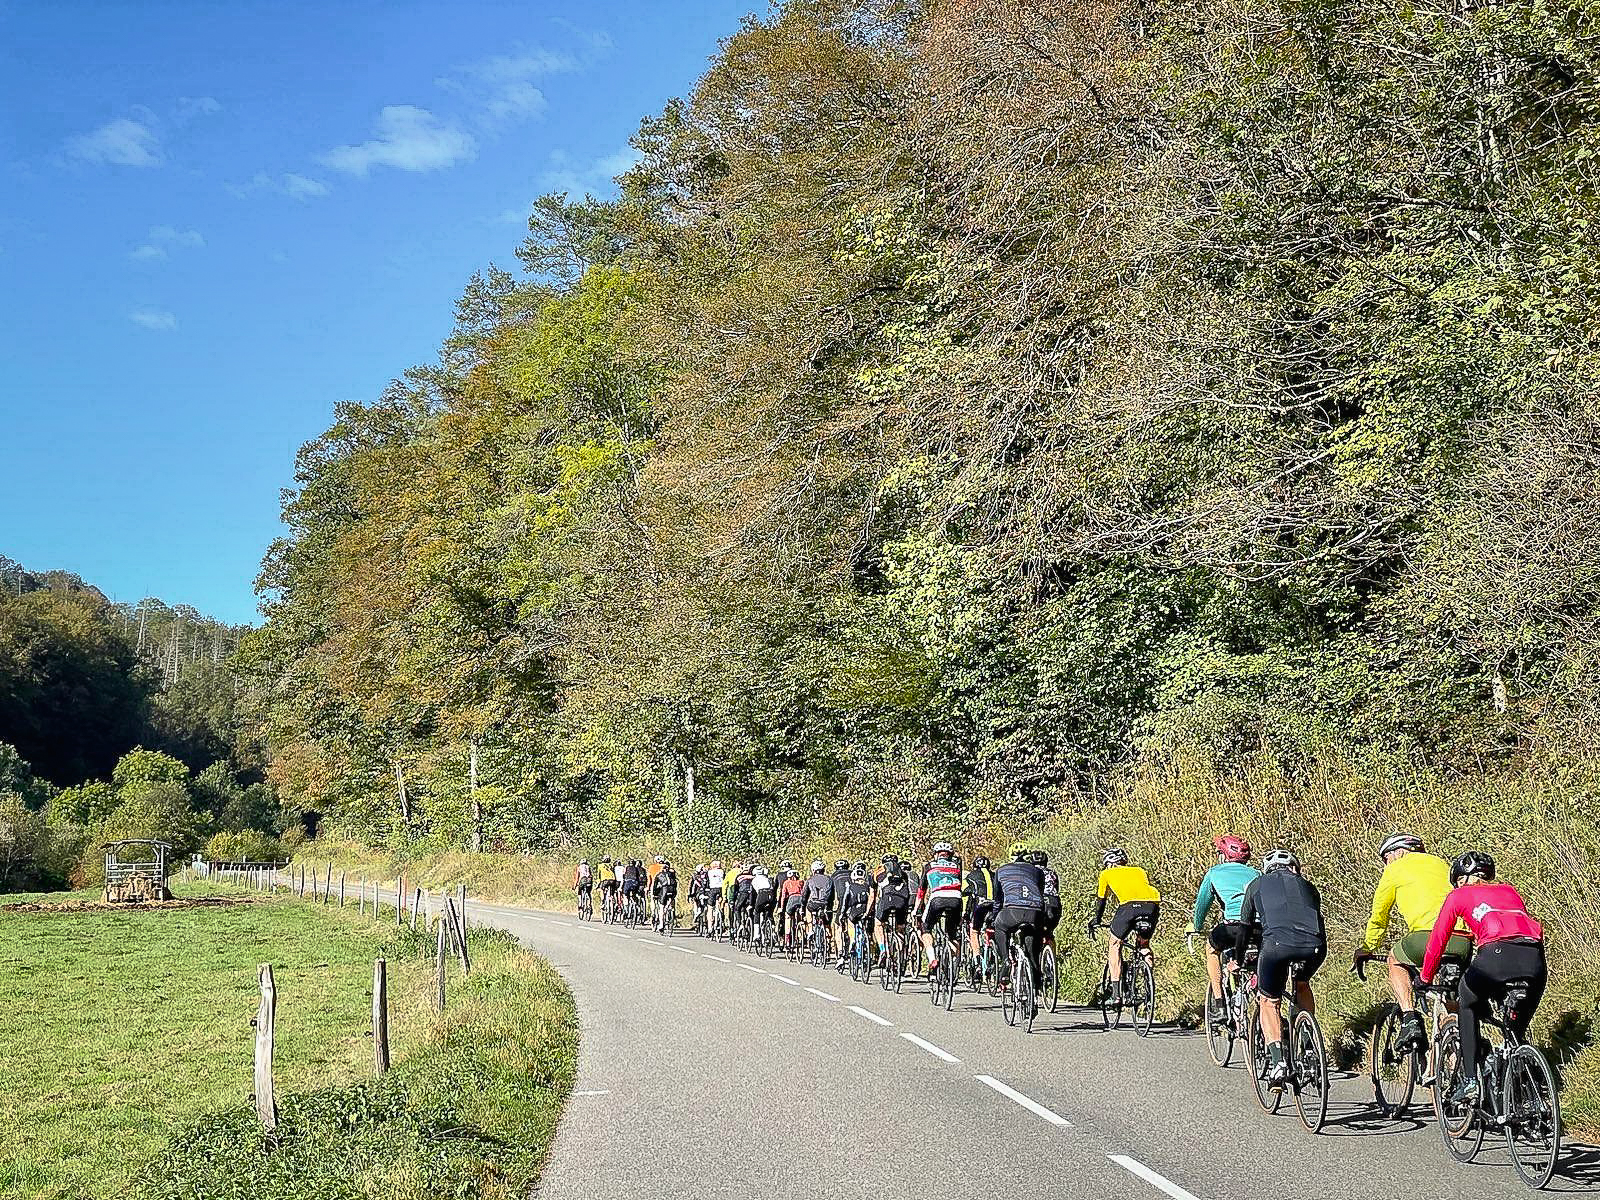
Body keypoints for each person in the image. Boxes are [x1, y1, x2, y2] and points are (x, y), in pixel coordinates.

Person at [1422, 851, 1546, 1104]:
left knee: (1467, 1000)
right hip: (1534, 959)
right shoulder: (1510, 891)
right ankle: (1525, 1088)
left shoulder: (1458, 894)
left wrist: (1425, 977)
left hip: (1495, 956)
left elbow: (1438, 939)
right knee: (1514, 1031)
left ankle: (1471, 1082)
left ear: (1462, 879)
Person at [1354, 833, 1469, 1053]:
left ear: (1397, 853)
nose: (1385, 865)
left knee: (1395, 959)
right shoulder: (1441, 864)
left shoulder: (1395, 869)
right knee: (1449, 998)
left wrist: (1368, 946)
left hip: (1426, 937)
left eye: (1385, 859)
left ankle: (1409, 1019)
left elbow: (1380, 915)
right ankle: (1455, 1054)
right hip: (1462, 941)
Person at [1235, 849, 1326, 1086]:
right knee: (1302, 984)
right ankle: (1308, 1048)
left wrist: (1238, 957)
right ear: (1294, 868)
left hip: (1276, 947)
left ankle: (1278, 1064)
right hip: (1315, 947)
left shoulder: (1256, 884)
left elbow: (1244, 926)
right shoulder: (1308, 886)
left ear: (1267, 869)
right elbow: (1319, 922)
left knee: (1269, 1000)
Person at [1187, 835, 1260, 1022]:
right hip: (1259, 927)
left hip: (1233, 927)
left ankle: (1219, 1004)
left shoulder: (1214, 873)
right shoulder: (1257, 873)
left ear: (1223, 855)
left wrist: (1196, 926)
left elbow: (1202, 905)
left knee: (1211, 949)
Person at [1087, 849, 1162, 1002]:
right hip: (1152, 906)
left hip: (1129, 908)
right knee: (1144, 945)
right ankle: (1149, 988)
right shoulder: (1139, 870)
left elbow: (1101, 900)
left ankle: (1116, 995)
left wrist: (1096, 920)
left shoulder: (1106, 874)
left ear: (1109, 864)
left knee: (1114, 944)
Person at [993, 843, 1046, 990]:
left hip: (1012, 912)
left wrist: (994, 916)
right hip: (1034, 912)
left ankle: (1005, 962)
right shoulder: (1037, 871)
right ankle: (1036, 977)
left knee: (1000, 926)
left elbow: (997, 900)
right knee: (1032, 946)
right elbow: (1040, 892)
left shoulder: (1001, 870)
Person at [917, 842, 964, 975]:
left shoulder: (929, 866)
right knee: (952, 934)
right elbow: (959, 885)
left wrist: (916, 910)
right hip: (956, 898)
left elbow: (922, 891)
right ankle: (954, 967)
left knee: (925, 929)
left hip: (937, 897)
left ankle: (932, 959)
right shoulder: (957, 866)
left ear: (936, 854)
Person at [874, 855, 912, 963]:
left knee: (878, 924)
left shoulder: (878, 872)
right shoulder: (903, 874)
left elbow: (873, 895)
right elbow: (907, 891)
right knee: (900, 928)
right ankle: (900, 957)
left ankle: (883, 950)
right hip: (902, 901)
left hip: (886, 899)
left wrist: (869, 910)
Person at [963, 854, 997, 962]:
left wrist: (965, 913)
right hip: (995, 906)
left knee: (974, 931)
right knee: (992, 928)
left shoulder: (971, 876)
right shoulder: (995, 875)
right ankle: (992, 952)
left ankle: (976, 958)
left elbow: (965, 893)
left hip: (980, 906)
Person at [840, 862, 874, 965]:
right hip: (866, 910)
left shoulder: (850, 886)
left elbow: (845, 901)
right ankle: (869, 950)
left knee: (850, 923)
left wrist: (842, 913)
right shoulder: (868, 886)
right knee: (868, 931)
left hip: (854, 911)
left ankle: (853, 939)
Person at [802, 859, 835, 950]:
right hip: (825, 904)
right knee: (826, 923)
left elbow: (804, 895)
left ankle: (811, 929)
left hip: (813, 903)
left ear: (813, 870)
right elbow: (832, 896)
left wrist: (802, 907)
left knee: (808, 909)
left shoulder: (810, 880)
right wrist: (829, 907)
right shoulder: (829, 879)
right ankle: (828, 942)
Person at [1031, 850, 1061, 949]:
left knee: (1034, 931)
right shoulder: (1052, 873)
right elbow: (1056, 889)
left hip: (1037, 903)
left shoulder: (1030, 872)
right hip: (1054, 903)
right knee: (1049, 933)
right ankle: (1053, 958)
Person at [778, 865, 806, 946]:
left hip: (791, 899)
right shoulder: (801, 882)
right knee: (801, 917)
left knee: (788, 917)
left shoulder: (786, 882)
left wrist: (782, 907)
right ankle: (804, 935)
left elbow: (783, 896)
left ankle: (787, 939)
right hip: (801, 899)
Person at [652, 860, 679, 932]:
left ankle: (661, 925)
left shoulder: (658, 875)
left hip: (664, 890)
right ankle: (671, 912)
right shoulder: (672, 874)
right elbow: (675, 883)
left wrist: (655, 894)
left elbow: (655, 887)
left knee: (661, 907)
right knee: (670, 901)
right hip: (673, 890)